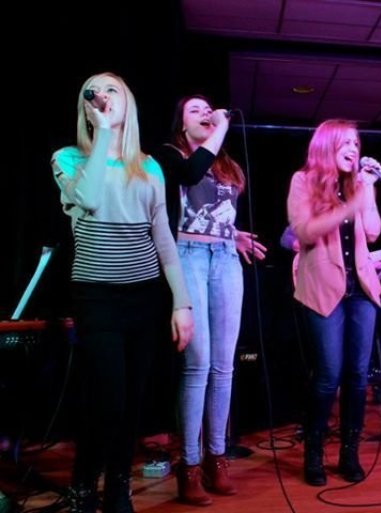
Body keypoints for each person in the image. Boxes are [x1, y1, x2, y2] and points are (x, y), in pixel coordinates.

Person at [52, 72, 194, 513]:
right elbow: (91, 198)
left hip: (144, 295)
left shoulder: (149, 167)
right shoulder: (69, 159)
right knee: (107, 399)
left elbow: (163, 238)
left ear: (128, 102)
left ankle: (118, 485)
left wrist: (182, 302)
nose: (102, 95)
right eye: (93, 91)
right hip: (96, 296)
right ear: (86, 109)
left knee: (132, 401)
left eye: (112, 88)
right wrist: (104, 135)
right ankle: (83, 484)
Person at [153, 95, 266, 506]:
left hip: (225, 258)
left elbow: (217, 213)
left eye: (208, 109)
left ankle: (217, 458)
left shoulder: (227, 165)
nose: (205, 113)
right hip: (189, 256)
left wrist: (234, 236)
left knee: (224, 365)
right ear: (181, 124)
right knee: (197, 363)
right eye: (195, 110)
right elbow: (183, 188)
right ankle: (189, 463)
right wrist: (220, 128)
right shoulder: (171, 156)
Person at [287, 119, 381, 486]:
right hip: (323, 288)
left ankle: (349, 453)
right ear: (327, 145)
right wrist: (348, 207)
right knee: (328, 374)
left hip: (361, 289)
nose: (353, 149)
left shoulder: (357, 185)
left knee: (357, 376)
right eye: (345, 143)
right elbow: (305, 231)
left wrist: (367, 190)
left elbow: (373, 232)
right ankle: (314, 452)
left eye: (356, 144)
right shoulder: (303, 181)